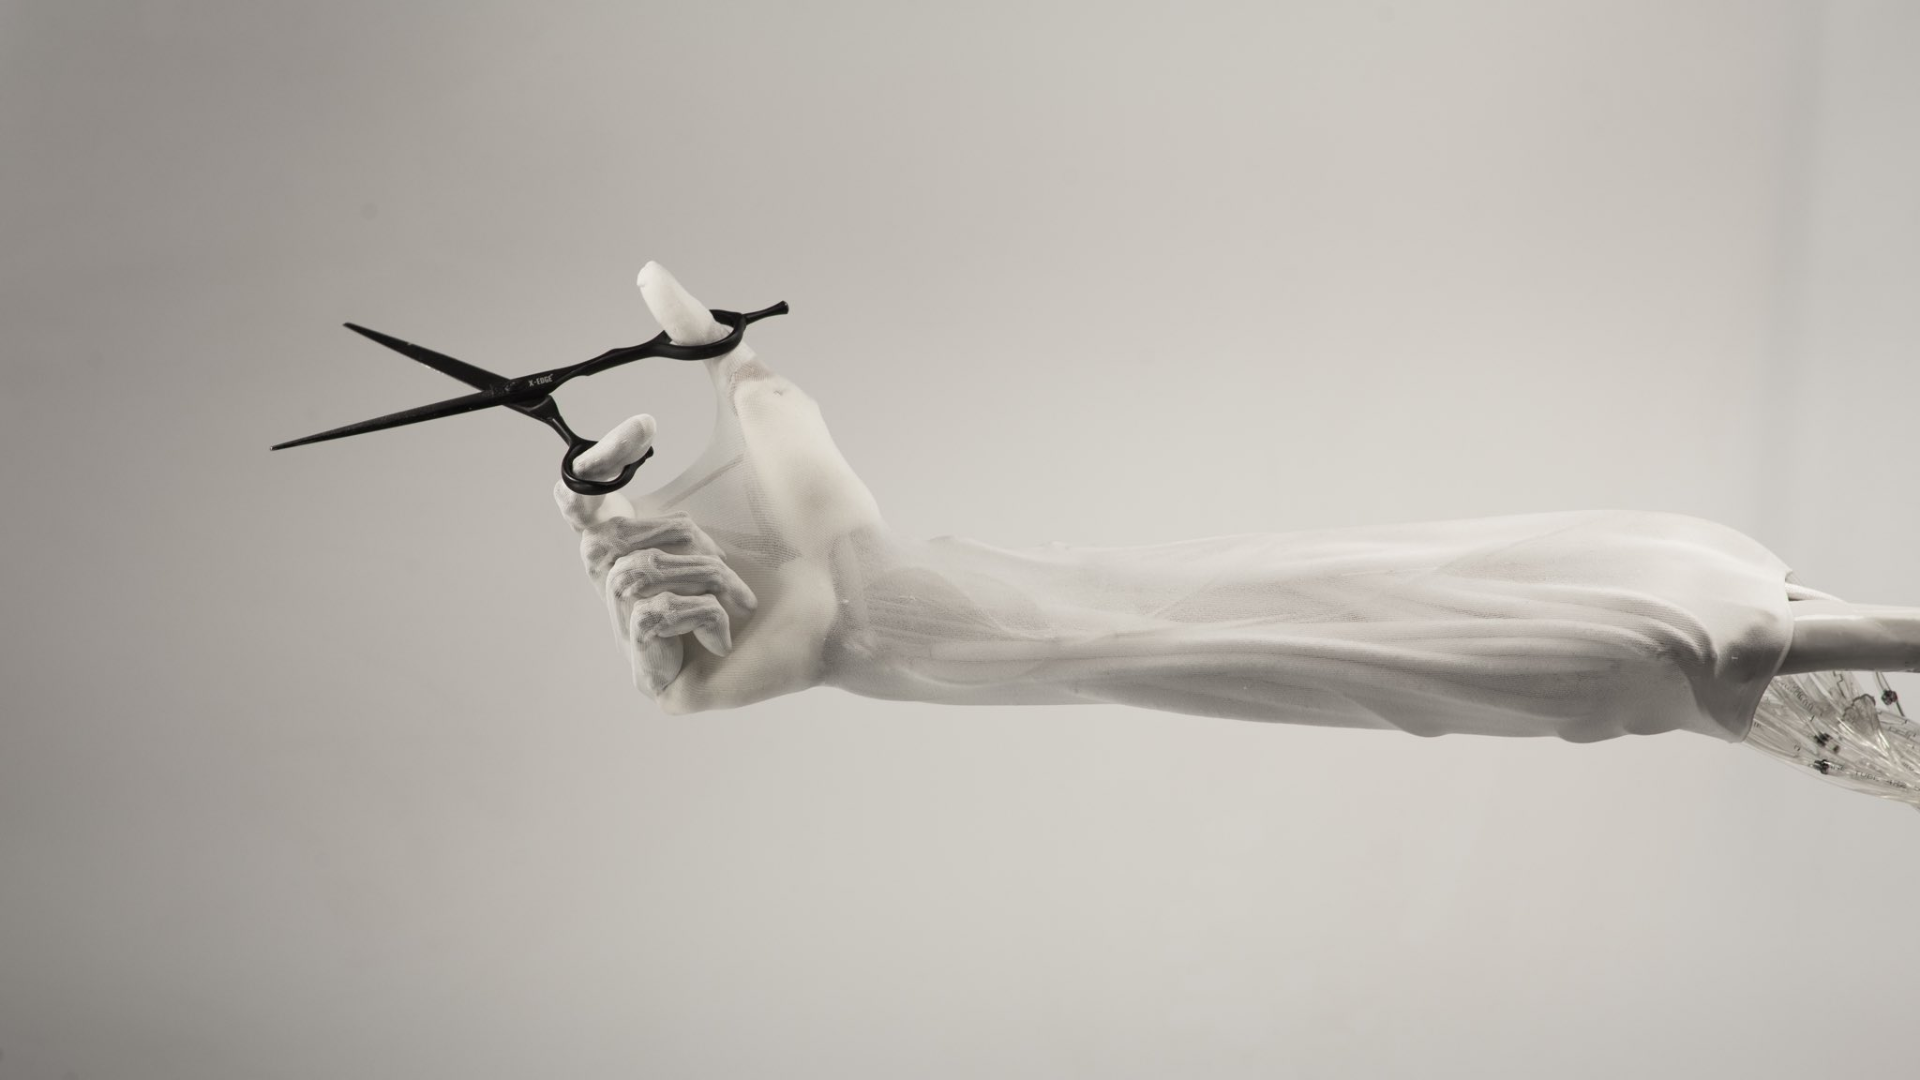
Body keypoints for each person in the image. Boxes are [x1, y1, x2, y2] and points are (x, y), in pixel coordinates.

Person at [554, 263, 1920, 807]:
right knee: (1589, 638)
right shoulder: (826, 615)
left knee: (1557, 622)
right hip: (1177, 629)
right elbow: (779, 477)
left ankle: (1827, 640)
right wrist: (633, 475)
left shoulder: (825, 596)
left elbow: (779, 440)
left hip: (1181, 614)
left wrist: (651, 448)